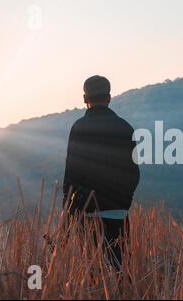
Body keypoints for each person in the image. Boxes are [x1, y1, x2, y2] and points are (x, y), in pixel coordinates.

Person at [62, 75, 140, 269]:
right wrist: (123, 203)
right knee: (121, 272)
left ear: (84, 98)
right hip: (117, 213)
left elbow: (71, 172)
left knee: (91, 277)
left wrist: (68, 210)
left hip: (86, 214)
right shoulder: (125, 128)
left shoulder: (79, 128)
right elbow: (134, 173)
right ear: (109, 97)